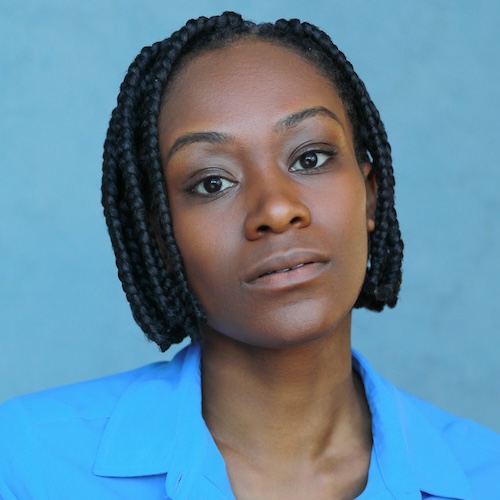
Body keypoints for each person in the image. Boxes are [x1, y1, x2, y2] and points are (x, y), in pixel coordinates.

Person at [0, 11, 498, 499]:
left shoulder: (486, 476)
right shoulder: (24, 462)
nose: (277, 209)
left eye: (310, 158)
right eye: (212, 182)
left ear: (370, 196)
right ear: (161, 240)